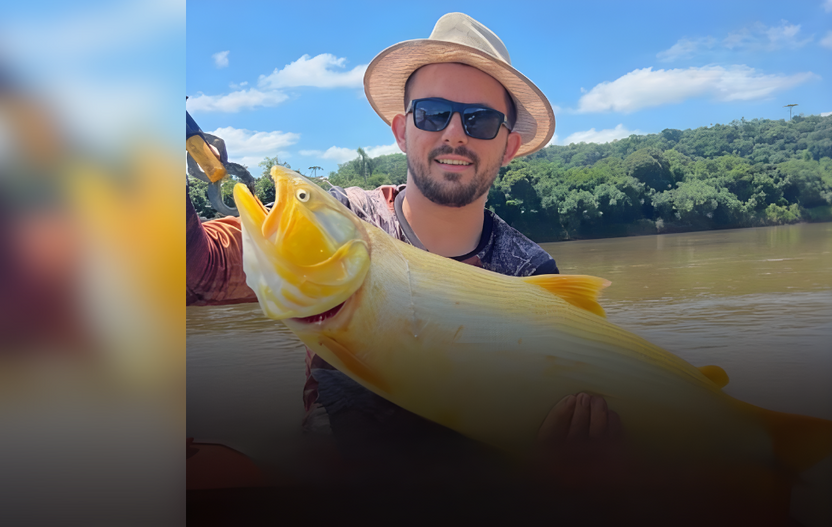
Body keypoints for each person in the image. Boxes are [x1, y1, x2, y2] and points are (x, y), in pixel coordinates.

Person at [186, 13, 620, 463]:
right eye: (432, 114)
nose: (454, 133)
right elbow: (196, 273)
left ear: (509, 146)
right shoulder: (345, 221)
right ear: (401, 130)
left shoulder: (531, 272)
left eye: (481, 120)